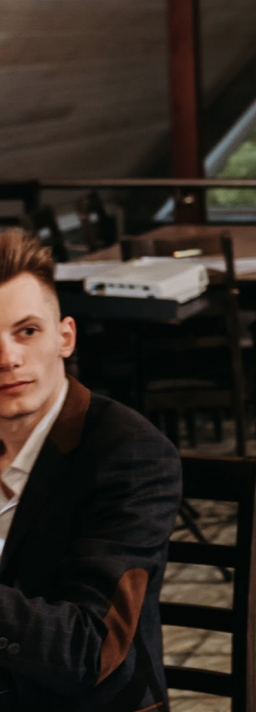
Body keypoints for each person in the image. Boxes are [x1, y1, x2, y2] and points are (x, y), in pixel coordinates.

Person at [0, 228, 182, 712]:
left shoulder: (132, 454)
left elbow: (90, 650)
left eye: (27, 331)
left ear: (65, 337)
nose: (7, 358)